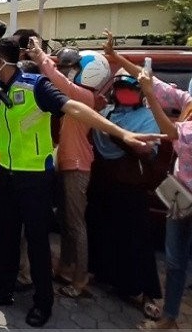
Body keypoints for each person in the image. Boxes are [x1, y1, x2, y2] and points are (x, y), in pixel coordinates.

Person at [0, 37, 163, 328]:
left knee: (38, 243)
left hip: (35, 178)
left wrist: (122, 132)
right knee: (6, 237)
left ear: (2, 61)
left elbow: (75, 107)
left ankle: (43, 303)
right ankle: (2, 290)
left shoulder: (36, 86)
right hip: (6, 174)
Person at [26, 42, 109, 298]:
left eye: (72, 68)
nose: (68, 71)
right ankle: (65, 268)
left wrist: (41, 57)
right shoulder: (84, 95)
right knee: (65, 221)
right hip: (67, 163)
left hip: (76, 166)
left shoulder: (84, 96)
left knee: (75, 224)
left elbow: (60, 82)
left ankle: (80, 279)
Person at [87, 72, 162, 321]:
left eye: (130, 89)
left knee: (137, 239)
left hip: (130, 187)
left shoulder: (147, 117)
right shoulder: (107, 111)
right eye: (120, 88)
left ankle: (147, 294)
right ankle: (104, 275)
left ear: (140, 93)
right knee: (102, 229)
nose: (124, 93)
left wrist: (120, 136)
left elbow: (148, 151)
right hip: (103, 181)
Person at [138, 69, 192, 330]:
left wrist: (149, 94)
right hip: (180, 197)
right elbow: (160, 85)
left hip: (182, 197)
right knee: (174, 261)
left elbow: (172, 132)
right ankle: (169, 317)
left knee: (177, 260)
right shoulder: (188, 103)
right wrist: (118, 58)